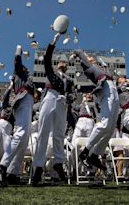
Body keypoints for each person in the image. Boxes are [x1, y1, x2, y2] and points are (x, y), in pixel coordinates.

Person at [32, 33, 75, 186]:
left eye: (65, 63)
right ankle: (38, 167)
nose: (63, 64)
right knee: (43, 132)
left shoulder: (69, 80)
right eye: (61, 63)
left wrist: (69, 98)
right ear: (57, 65)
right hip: (50, 96)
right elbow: (47, 57)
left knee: (59, 134)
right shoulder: (51, 71)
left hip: (62, 101)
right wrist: (54, 42)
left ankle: (58, 163)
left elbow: (72, 94)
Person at [72, 49, 120, 171]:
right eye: (89, 58)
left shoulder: (101, 69)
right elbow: (82, 55)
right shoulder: (89, 68)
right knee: (104, 124)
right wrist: (78, 53)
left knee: (110, 128)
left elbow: (108, 70)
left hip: (113, 90)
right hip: (106, 90)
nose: (91, 58)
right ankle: (85, 152)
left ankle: (94, 155)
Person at [0, 45, 35, 187]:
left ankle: (13, 173)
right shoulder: (20, 74)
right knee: (21, 133)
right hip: (23, 100)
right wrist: (18, 48)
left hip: (28, 102)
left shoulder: (27, 77)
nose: (27, 69)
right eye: (25, 67)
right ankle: (3, 165)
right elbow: (17, 60)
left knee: (24, 140)